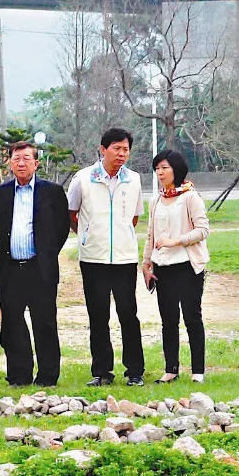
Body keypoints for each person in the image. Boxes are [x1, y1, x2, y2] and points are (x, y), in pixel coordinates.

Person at [68, 127, 146, 387]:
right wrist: (88, 236)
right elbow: (72, 214)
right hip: (93, 258)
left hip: (124, 258)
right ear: (103, 149)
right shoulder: (83, 178)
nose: (121, 154)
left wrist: (121, 236)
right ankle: (102, 371)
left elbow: (134, 217)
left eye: (125, 149)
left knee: (128, 313)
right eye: (116, 148)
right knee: (98, 315)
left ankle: (135, 371)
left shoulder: (133, 179)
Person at [0, 141, 70, 387]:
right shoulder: (0, 193)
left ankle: (47, 375)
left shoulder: (53, 191)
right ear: (10, 163)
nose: (21, 163)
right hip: (11, 267)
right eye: (16, 158)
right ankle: (19, 374)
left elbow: (62, 228)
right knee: (13, 322)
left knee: (44, 321)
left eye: (27, 158)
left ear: (37, 163)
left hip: (40, 268)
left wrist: (47, 253)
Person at [142, 149, 209, 384]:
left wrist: (176, 240)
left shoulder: (190, 197)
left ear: (176, 169)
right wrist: (146, 262)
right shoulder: (155, 200)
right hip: (163, 267)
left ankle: (197, 372)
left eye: (164, 168)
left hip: (187, 266)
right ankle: (171, 369)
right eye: (157, 168)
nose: (160, 173)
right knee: (168, 320)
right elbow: (151, 234)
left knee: (192, 317)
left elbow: (203, 230)